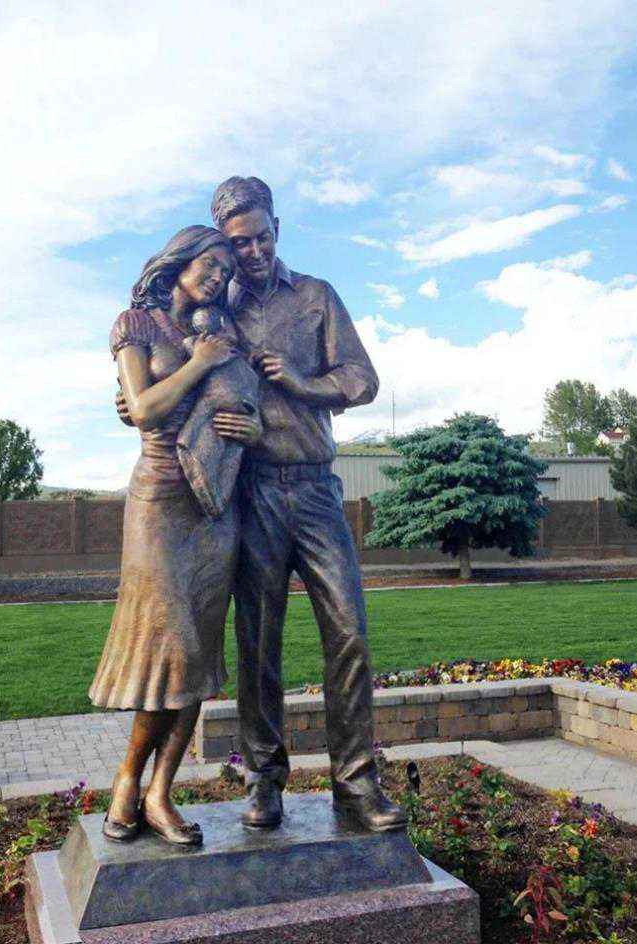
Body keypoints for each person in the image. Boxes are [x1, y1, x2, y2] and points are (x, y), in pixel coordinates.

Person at [210, 176, 407, 833]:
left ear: (277, 229)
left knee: (348, 631)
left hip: (317, 488)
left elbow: (361, 378)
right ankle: (263, 778)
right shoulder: (219, 310)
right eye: (240, 242)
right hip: (255, 490)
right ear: (226, 245)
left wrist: (299, 383)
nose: (254, 250)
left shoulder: (316, 296)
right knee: (257, 643)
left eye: (262, 235)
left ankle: (355, 784)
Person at [88, 225, 261, 846]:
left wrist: (251, 422)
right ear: (179, 265)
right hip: (160, 501)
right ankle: (127, 780)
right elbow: (144, 409)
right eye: (209, 264)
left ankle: (159, 794)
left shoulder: (221, 335)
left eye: (225, 269)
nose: (218, 275)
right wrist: (198, 365)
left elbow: (248, 400)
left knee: (200, 657)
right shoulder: (137, 325)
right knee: (175, 648)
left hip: (215, 508)